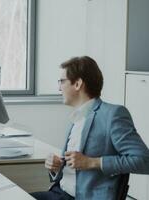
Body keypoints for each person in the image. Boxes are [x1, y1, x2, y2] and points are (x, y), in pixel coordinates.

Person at [31, 56, 149, 199]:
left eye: (62, 81)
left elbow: (144, 161)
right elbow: (73, 169)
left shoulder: (112, 115)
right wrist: (56, 167)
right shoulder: (76, 118)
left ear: (78, 84)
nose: (59, 88)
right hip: (60, 192)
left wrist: (92, 162)